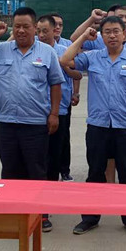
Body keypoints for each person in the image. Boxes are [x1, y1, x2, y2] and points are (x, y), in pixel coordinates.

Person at [60, 16, 126, 237]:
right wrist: (84, 36)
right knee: (95, 172)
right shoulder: (92, 58)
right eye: (107, 32)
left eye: (116, 31)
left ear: (124, 34)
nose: (112, 35)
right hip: (98, 125)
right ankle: (90, 217)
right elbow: (65, 60)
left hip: (125, 126)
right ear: (101, 36)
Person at [0, 7, 63, 184]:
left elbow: (55, 83)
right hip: (8, 125)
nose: (21, 30)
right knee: (10, 173)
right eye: (17, 26)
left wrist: (54, 114)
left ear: (35, 28)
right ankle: (13, 203)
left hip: (36, 125)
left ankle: (38, 203)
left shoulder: (47, 52)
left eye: (26, 26)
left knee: (37, 172)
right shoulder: (1, 49)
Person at [36, 14, 83, 231]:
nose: (41, 35)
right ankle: (36, 200)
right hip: (36, 112)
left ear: (55, 30)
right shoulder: (33, 49)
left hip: (59, 109)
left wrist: (64, 68)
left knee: (55, 154)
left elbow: (77, 74)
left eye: (45, 31)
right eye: (39, 31)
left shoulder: (65, 50)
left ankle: (50, 196)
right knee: (38, 157)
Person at [49, 12, 80, 181]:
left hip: (63, 99)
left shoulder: (68, 46)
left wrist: (76, 92)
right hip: (43, 101)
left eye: (60, 25)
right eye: (54, 24)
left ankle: (64, 170)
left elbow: (77, 74)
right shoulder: (38, 44)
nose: (58, 27)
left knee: (63, 136)